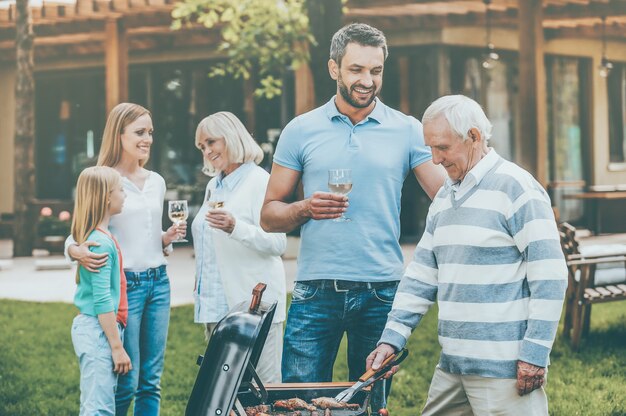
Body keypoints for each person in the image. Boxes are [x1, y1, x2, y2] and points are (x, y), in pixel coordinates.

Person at [260, 23, 446, 410]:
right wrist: (305, 208)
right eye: (356, 69)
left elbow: (446, 196)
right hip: (315, 291)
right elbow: (269, 214)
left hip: (382, 291)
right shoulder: (301, 130)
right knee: (299, 404)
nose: (366, 80)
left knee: (368, 404)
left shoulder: (408, 130)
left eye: (375, 71)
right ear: (334, 69)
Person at [367, 95, 568, 415]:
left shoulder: (516, 187)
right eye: (430, 148)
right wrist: (391, 339)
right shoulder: (444, 196)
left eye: (442, 148)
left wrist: (534, 353)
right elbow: (421, 275)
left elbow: (550, 276)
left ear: (474, 136)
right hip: (452, 365)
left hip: (505, 368)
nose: (434, 159)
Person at [65, 103, 185, 415]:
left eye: (150, 132)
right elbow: (78, 233)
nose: (148, 138)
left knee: (151, 380)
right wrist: (74, 250)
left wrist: (166, 239)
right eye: (140, 132)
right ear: (119, 136)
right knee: (126, 378)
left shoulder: (157, 181)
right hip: (125, 287)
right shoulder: (104, 181)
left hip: (159, 283)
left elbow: (147, 236)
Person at [191, 111, 287, 383]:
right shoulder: (214, 186)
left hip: (253, 306)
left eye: (211, 142)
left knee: (262, 390)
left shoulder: (259, 181)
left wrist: (236, 228)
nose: (207, 151)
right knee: (223, 393)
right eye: (202, 147)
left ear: (231, 137)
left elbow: (278, 243)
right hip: (215, 308)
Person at [70, 166, 130, 415]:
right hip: (99, 331)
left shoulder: (100, 236)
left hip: (100, 329)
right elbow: (102, 299)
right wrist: (116, 347)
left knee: (101, 404)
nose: (125, 195)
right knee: (99, 409)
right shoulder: (101, 242)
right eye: (121, 190)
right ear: (107, 196)